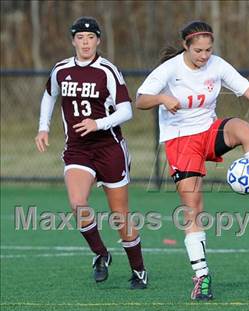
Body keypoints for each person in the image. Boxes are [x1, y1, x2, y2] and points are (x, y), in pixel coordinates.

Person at [135, 20, 249, 300]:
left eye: (208, 50)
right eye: (198, 50)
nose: (204, 56)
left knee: (244, 129)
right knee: (193, 207)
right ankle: (202, 277)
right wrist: (163, 98)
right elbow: (140, 99)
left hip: (208, 131)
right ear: (186, 47)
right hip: (181, 140)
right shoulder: (169, 69)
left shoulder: (217, 65)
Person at [35, 16, 148, 289]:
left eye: (90, 37)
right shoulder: (61, 69)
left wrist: (98, 123)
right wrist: (43, 128)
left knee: (119, 214)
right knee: (77, 203)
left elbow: (126, 110)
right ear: (73, 41)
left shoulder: (107, 70)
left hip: (109, 148)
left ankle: (139, 269)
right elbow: (50, 95)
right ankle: (101, 254)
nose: (85, 42)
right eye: (80, 37)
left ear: (98, 40)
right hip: (78, 149)